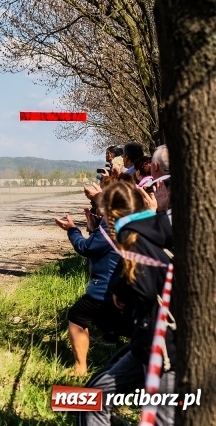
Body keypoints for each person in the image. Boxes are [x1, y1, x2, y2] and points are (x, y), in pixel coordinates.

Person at [79, 180, 175, 426]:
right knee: (92, 396)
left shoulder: (133, 239)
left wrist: (122, 292)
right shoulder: (159, 228)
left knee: (161, 420)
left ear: (111, 217)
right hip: (147, 342)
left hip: (164, 350)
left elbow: (143, 289)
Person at [54, 195, 121, 376]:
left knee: (77, 317)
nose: (96, 211)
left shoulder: (111, 226)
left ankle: (80, 368)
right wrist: (95, 228)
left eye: (97, 207)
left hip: (106, 288)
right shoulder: (127, 223)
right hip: (124, 288)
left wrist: (72, 230)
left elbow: (86, 248)